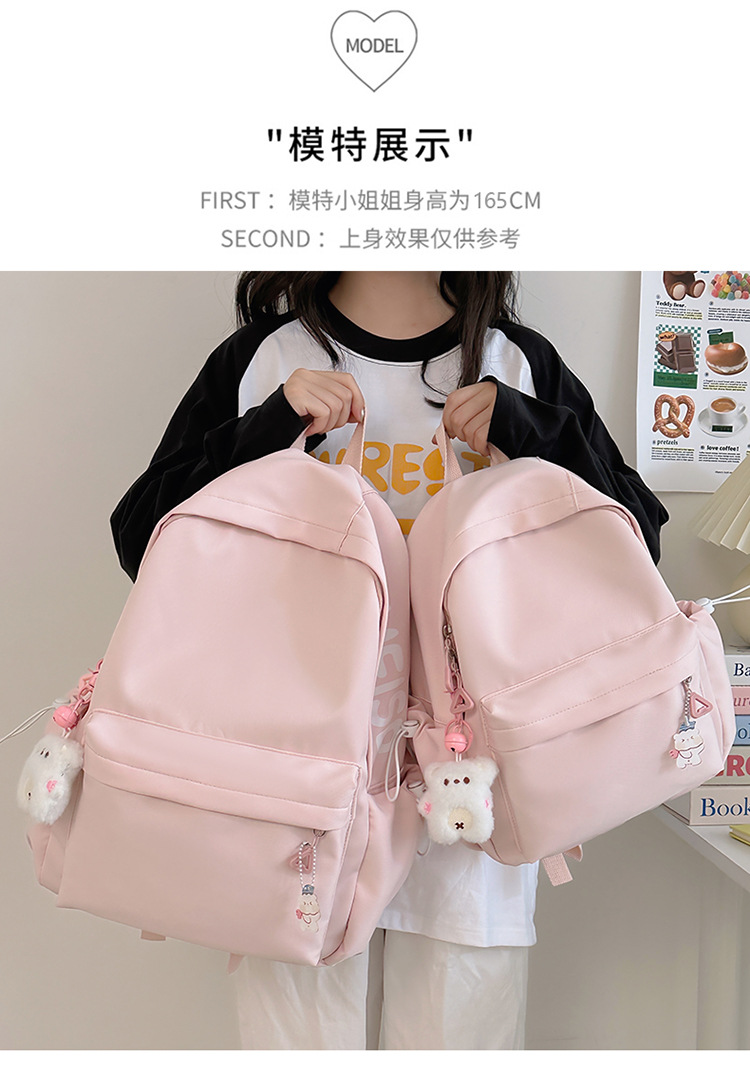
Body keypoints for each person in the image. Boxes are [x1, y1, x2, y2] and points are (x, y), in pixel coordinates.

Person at [110, 271, 668, 1050]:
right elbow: (144, 535)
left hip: (472, 796)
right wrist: (270, 427)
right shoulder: (268, 359)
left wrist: (530, 427)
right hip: (296, 787)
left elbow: (636, 540)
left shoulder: (511, 361)